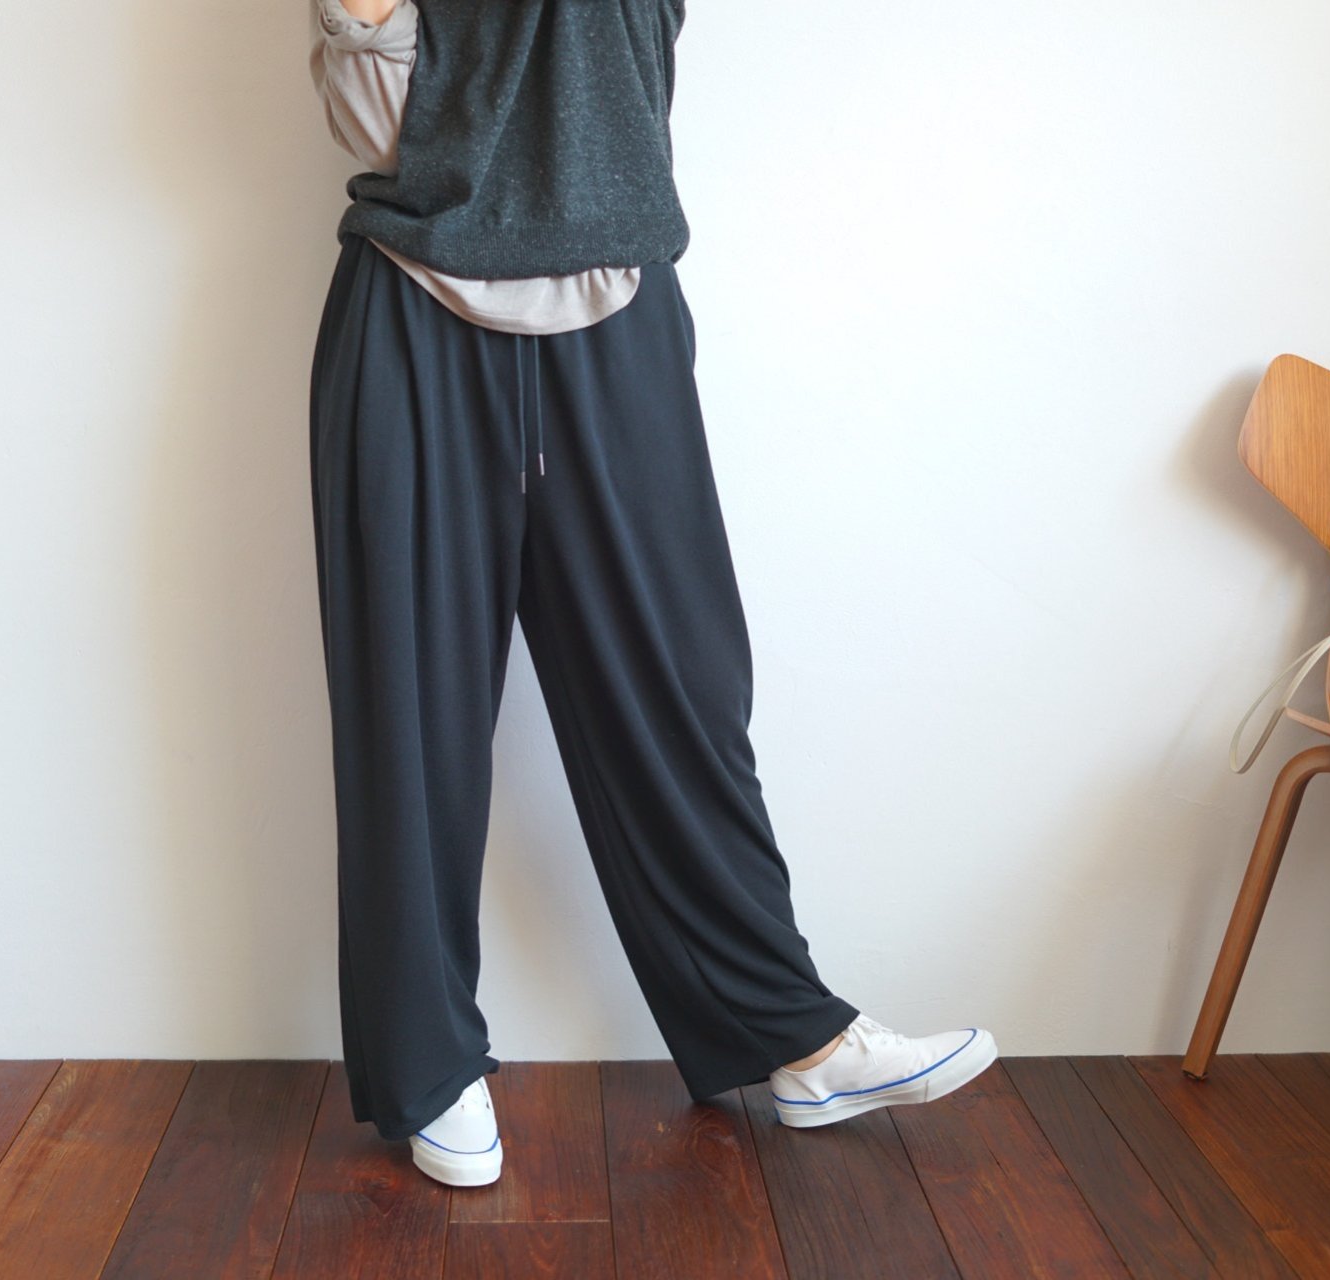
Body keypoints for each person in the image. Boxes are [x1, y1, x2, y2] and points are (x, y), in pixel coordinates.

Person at [305, 0, 998, 1189]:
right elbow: (380, 125)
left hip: (617, 303)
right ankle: (429, 1065)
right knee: (411, 710)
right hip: (416, 303)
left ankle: (790, 1033)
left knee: (680, 684)